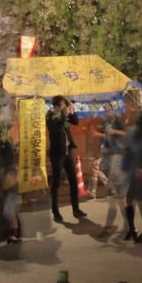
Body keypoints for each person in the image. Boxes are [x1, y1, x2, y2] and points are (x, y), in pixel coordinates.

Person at [46, 96, 87, 224]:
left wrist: (72, 110)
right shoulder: (50, 115)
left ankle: (76, 209)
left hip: (69, 151)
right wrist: (64, 114)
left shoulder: (64, 114)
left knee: (73, 181)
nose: (65, 106)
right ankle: (55, 211)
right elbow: (56, 130)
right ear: (58, 105)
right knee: (56, 183)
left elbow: (75, 122)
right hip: (57, 153)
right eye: (64, 104)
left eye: (65, 104)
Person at [118, 111, 142, 242]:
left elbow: (140, 150)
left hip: (135, 169)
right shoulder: (135, 131)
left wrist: (140, 167)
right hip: (131, 168)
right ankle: (133, 229)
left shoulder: (140, 133)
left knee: (139, 199)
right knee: (130, 198)